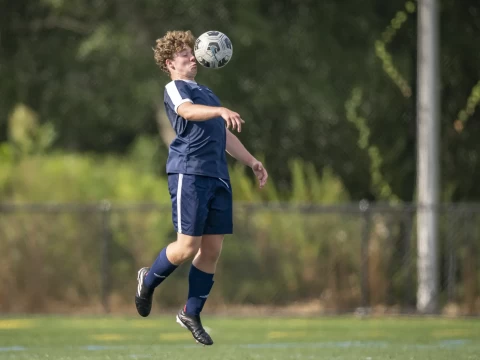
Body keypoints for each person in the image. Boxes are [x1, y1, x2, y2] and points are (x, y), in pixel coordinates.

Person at [135, 30, 268, 346]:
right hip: (189, 173)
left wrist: (251, 161)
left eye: (193, 54)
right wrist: (220, 111)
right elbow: (187, 112)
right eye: (185, 54)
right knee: (187, 247)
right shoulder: (175, 88)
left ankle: (190, 312)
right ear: (170, 63)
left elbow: (224, 135)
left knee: (211, 251)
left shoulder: (207, 93)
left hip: (217, 177)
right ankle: (147, 279)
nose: (192, 58)